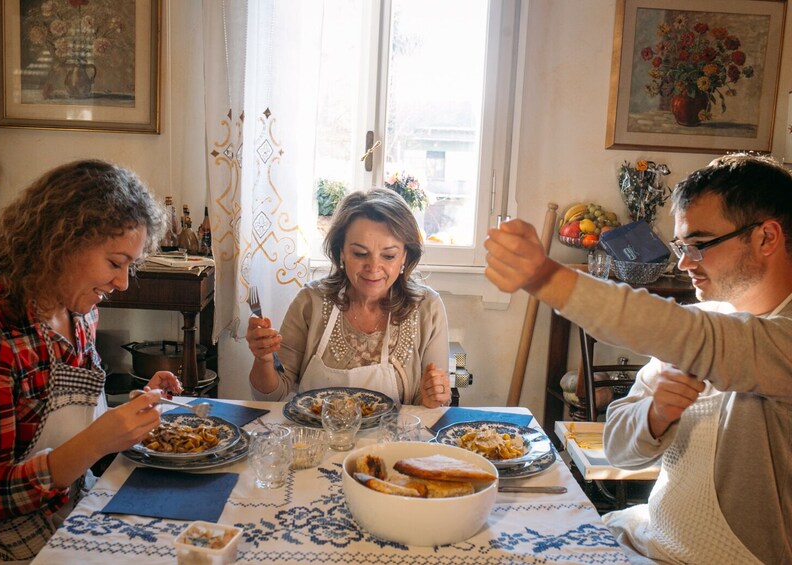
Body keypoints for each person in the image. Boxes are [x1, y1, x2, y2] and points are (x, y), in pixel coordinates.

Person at [483, 153, 792, 564]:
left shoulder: (758, 339)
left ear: (766, 238)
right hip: (647, 537)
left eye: (698, 245)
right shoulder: (702, 321)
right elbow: (618, 448)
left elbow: (694, 337)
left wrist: (546, 277)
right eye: (681, 247)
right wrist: (655, 414)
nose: (684, 263)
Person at [0, 159, 180, 563]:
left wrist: (133, 407)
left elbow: (68, 418)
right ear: (61, 243)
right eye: (114, 263)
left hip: (64, 511)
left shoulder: (81, 311)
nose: (122, 283)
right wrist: (96, 442)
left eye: (130, 266)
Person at [246, 187, 451, 408]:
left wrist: (435, 396)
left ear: (405, 256)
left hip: (393, 442)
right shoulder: (310, 302)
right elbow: (269, 396)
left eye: (389, 255)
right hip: (315, 440)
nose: (373, 267)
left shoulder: (427, 308)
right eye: (360, 254)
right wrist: (264, 359)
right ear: (341, 252)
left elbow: (432, 404)